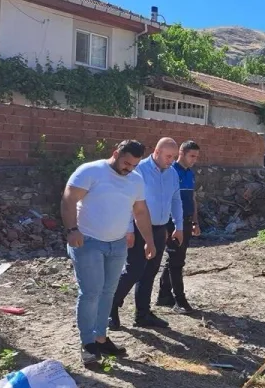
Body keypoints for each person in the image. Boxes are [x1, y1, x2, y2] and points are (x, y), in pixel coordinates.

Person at [60, 140, 157, 366]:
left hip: (117, 244)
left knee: (108, 292)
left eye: (134, 165)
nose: (128, 169)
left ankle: (101, 338)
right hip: (88, 242)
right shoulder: (91, 171)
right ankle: (87, 344)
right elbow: (69, 198)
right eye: (126, 163)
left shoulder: (135, 180)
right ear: (115, 154)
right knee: (91, 292)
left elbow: (140, 212)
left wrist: (149, 240)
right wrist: (72, 229)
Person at [110, 137, 184, 330]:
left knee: (150, 272)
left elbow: (176, 199)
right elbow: (127, 201)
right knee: (133, 270)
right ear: (157, 152)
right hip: (138, 228)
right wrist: (128, 229)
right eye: (168, 156)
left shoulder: (172, 173)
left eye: (174, 157)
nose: (171, 160)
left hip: (160, 229)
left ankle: (142, 315)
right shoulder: (139, 170)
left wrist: (179, 226)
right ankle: (110, 308)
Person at [156, 140, 201, 314]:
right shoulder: (170, 172)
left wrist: (195, 221)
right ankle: (179, 300)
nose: (194, 160)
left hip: (187, 221)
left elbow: (193, 199)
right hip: (174, 222)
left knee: (175, 258)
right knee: (177, 261)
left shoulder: (190, 173)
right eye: (192, 156)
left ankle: (164, 295)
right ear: (181, 153)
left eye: (196, 157)